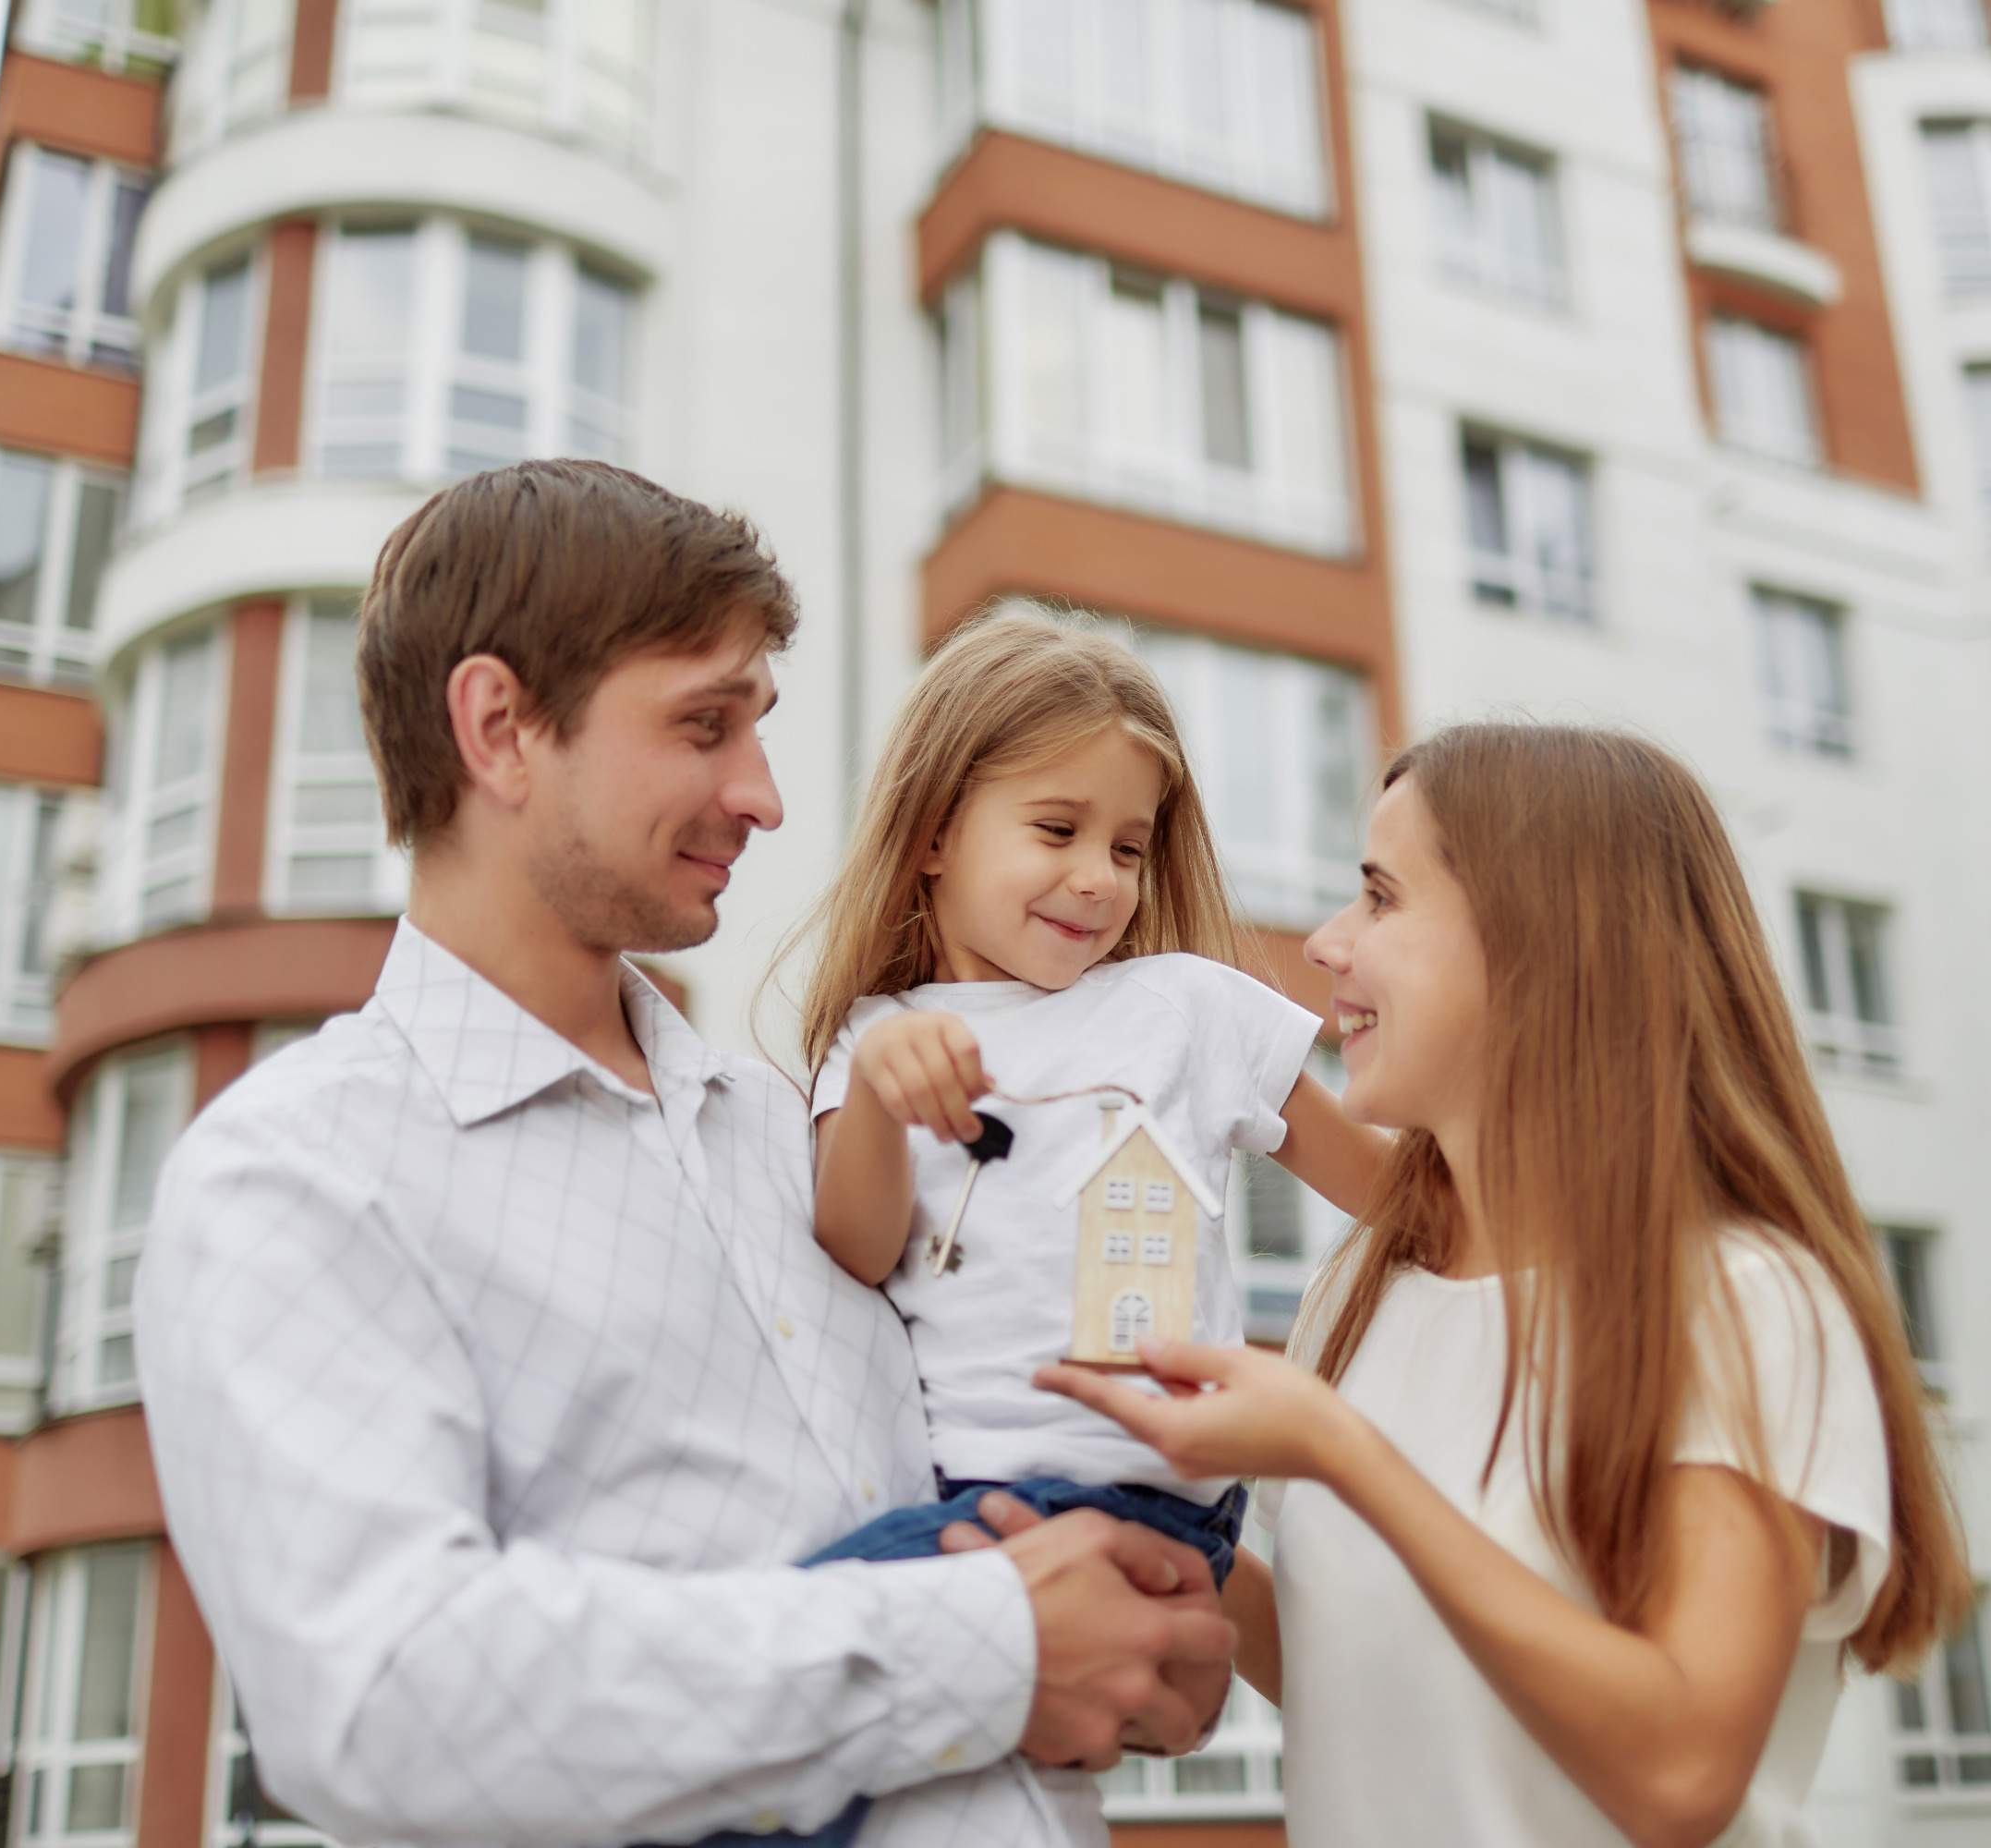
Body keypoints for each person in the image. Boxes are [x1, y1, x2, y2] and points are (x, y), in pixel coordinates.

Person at [135, 461, 1235, 1848]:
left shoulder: (804, 1138)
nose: (765, 797)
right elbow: (387, 1700)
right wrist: (996, 1646)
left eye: (757, 728)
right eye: (705, 726)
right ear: (501, 729)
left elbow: (1006, 1492)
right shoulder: (296, 1176)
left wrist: (1146, 1631)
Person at [1042, 723, 1972, 1848]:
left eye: (1381, 898)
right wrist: (1113, 1504)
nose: (1329, 945)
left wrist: (1341, 1451)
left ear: (1543, 941)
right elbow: (1357, 1670)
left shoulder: (1741, 1302)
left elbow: (1681, 1776)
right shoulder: (1362, 1290)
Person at [759, 614, 1388, 1842]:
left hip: (1124, 1494)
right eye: (1056, 831)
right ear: (935, 830)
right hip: (979, 1506)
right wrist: (884, 1092)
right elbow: (856, 1244)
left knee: (776, 1679)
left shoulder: (1184, 1010)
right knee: (826, 1753)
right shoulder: (879, 1034)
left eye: (1130, 846)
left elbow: (1391, 1191)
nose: (1100, 877)